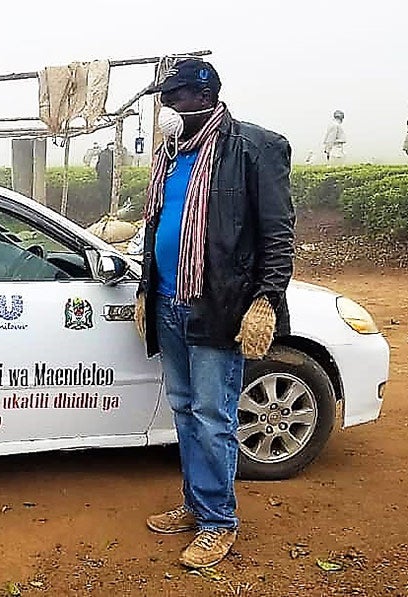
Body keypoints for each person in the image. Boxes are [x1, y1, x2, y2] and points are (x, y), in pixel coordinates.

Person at [134, 59, 294, 568]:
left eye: (177, 96)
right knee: (184, 409)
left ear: (204, 96)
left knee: (213, 415)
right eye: (166, 97)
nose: (169, 105)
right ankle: (196, 502)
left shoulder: (253, 148)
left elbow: (277, 232)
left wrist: (265, 298)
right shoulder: (170, 154)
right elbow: (157, 222)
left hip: (219, 304)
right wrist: (145, 288)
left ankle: (217, 521)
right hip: (169, 301)